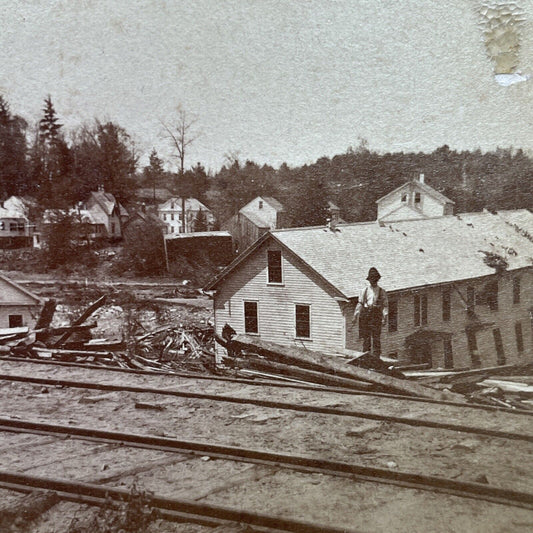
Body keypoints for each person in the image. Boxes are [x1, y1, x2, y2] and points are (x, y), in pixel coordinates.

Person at [353, 267, 388, 358]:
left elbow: (385, 305)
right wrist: (355, 315)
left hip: (376, 315)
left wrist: (385, 317)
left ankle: (377, 358)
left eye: (375, 279)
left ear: (377, 279)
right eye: (372, 279)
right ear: (369, 280)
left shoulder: (382, 291)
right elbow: (360, 303)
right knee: (366, 338)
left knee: (376, 338)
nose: (373, 281)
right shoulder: (364, 291)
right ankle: (365, 356)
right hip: (366, 315)